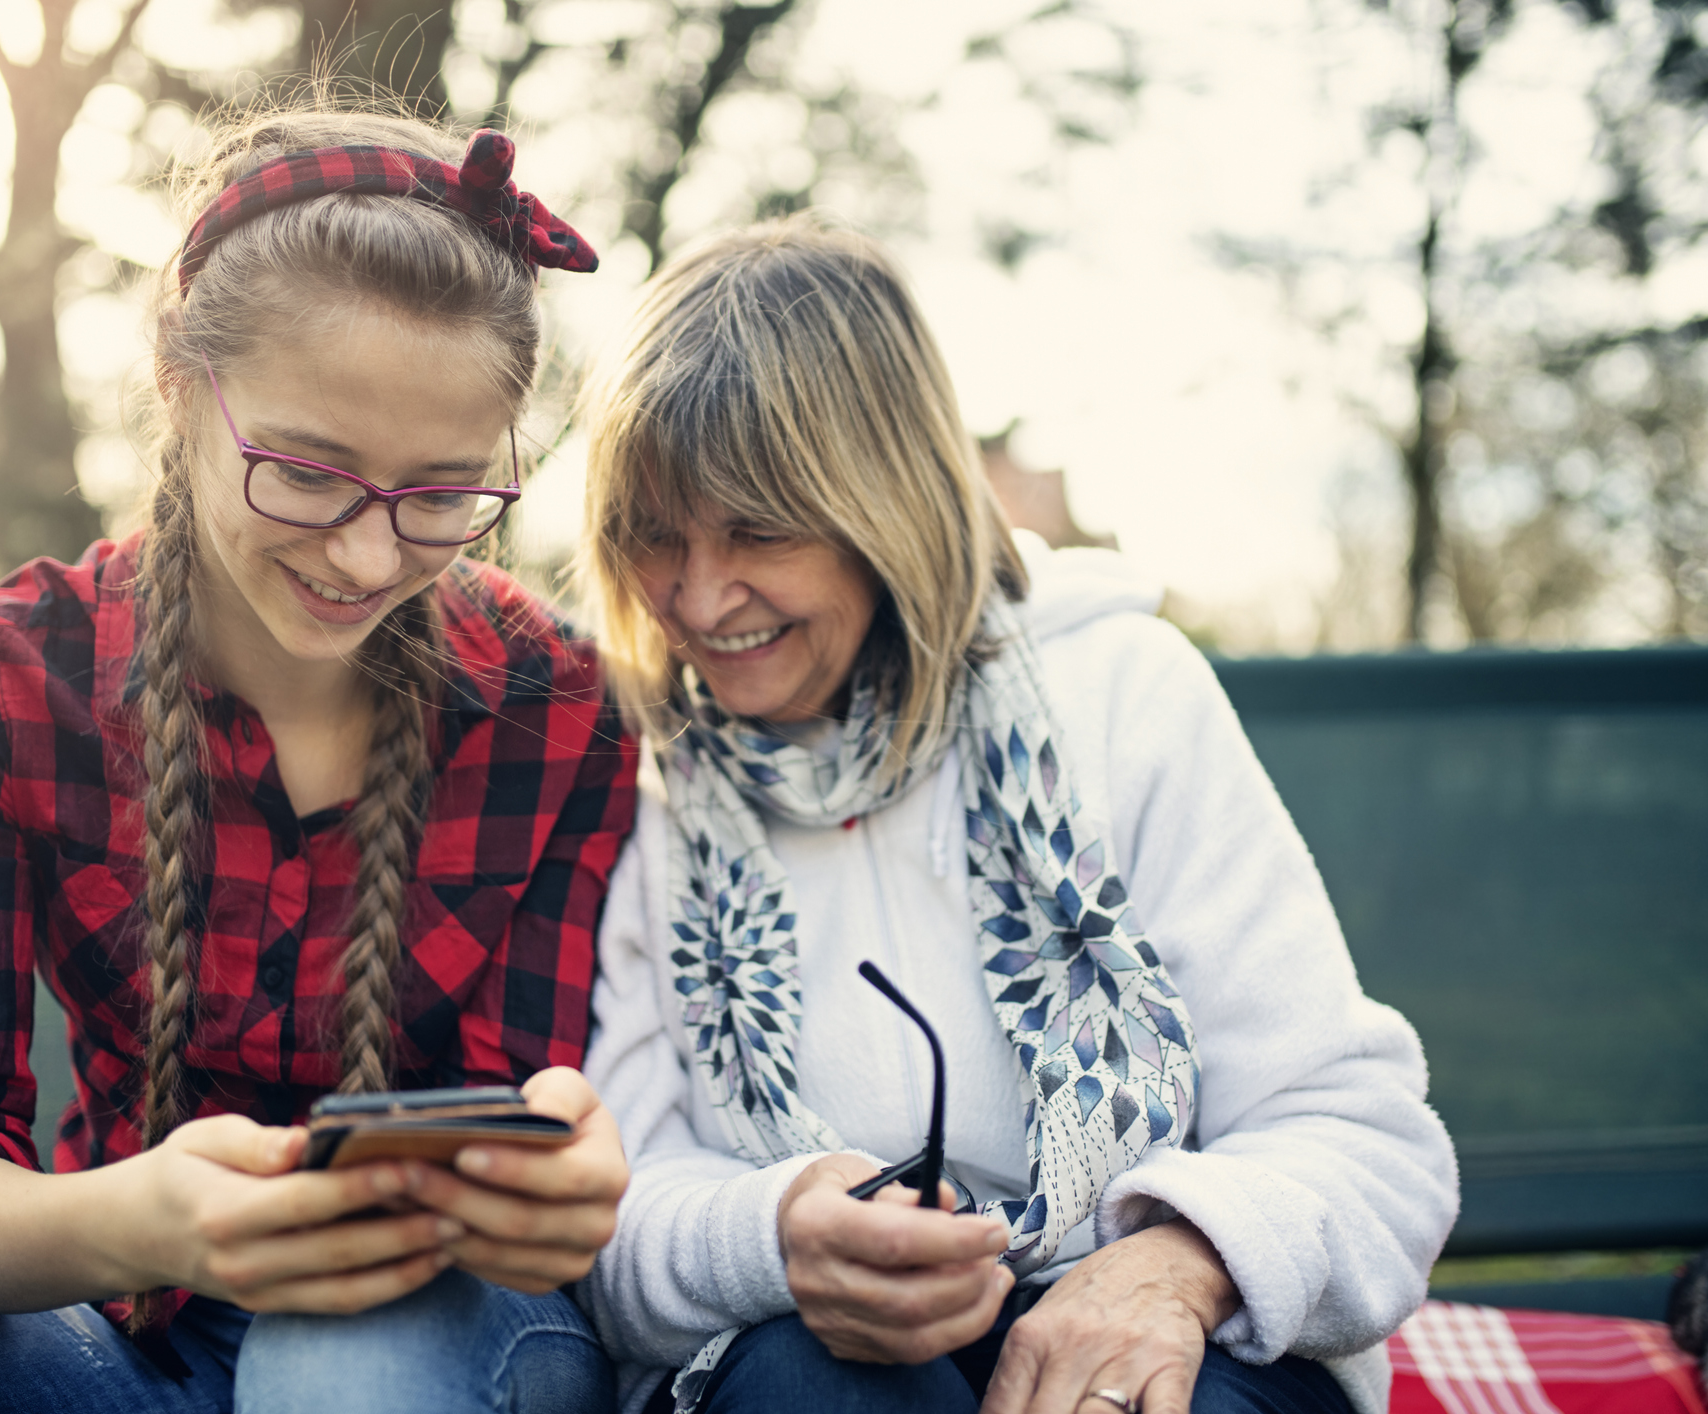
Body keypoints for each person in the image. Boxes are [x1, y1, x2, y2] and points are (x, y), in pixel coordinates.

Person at [0, 105, 638, 1414]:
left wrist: (553, 1190)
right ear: (174, 379)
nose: (368, 557)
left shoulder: (562, 710)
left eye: (442, 494)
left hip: (446, 1326)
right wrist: (137, 1223)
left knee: (345, 1373)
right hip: (113, 1316)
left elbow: (536, 1110)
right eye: (307, 472)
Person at [573, 216, 1459, 1414]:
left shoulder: (1123, 694)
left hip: (1161, 1339)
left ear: (885, 504)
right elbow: (615, 1216)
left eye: (758, 530)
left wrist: (1173, 1263)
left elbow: (1364, 1143)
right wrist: (778, 1233)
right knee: (794, 1383)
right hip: (822, 1364)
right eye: (653, 536)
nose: (698, 596)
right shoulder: (646, 780)